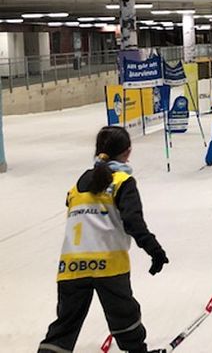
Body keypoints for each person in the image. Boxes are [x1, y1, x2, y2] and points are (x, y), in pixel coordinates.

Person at [38, 126, 168, 353]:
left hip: (71, 267)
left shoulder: (76, 186)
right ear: (127, 152)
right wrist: (155, 251)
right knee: (124, 316)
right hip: (108, 265)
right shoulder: (122, 181)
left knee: (65, 324)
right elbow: (133, 222)